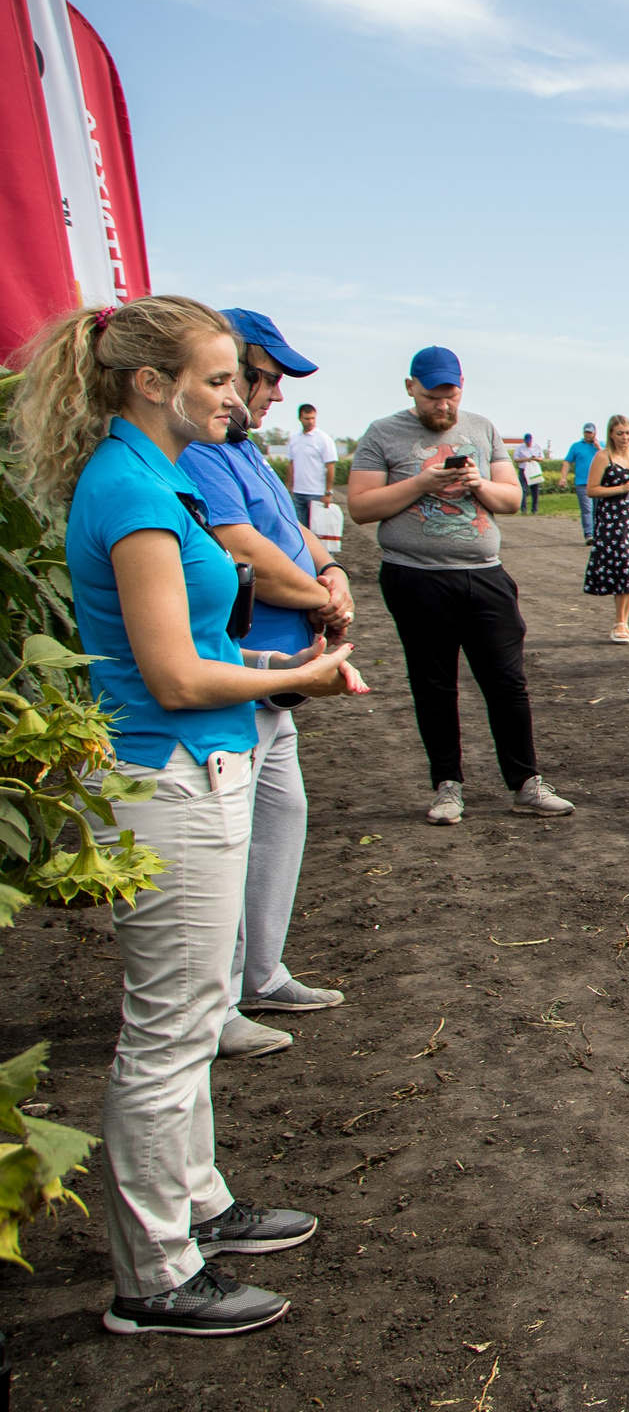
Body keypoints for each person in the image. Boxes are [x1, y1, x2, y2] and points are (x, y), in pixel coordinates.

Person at [14, 295, 358, 1337]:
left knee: (194, 1010)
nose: (230, 395)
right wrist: (281, 677)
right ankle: (155, 1273)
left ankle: (200, 1205)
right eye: (215, 378)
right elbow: (167, 675)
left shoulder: (149, 479)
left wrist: (276, 665)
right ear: (150, 383)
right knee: (169, 1032)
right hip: (170, 773)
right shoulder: (135, 491)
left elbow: (181, 648)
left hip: (190, 764)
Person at [178, 309, 354, 1065]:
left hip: (274, 679)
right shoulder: (201, 456)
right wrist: (320, 597)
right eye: (263, 378)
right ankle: (212, 1005)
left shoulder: (243, 449)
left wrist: (334, 572)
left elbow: (293, 530)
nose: (273, 393)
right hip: (241, 668)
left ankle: (261, 973)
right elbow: (240, 544)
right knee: (228, 835)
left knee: (281, 812)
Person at [348, 347, 574, 823]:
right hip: (415, 576)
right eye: (433, 397)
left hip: (483, 572)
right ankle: (447, 787)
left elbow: (510, 499)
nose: (443, 407)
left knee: (507, 682)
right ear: (411, 387)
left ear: (462, 387)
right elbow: (362, 507)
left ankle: (526, 783)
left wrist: (477, 484)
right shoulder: (382, 433)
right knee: (434, 685)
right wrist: (421, 484)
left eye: (450, 396)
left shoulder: (482, 427)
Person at [581, 415, 629, 640]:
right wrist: (622, 487)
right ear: (611, 434)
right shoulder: (603, 457)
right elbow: (592, 490)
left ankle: (625, 623)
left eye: (628, 433)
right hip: (613, 520)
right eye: (620, 433)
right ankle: (618, 623)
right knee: (623, 566)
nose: (625, 437)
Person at [284, 401, 334, 525]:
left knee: (316, 530)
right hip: (298, 492)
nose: (310, 421)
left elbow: (330, 466)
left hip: (316, 493)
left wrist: (328, 491)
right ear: (300, 418)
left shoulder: (323, 439)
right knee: (300, 528)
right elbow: (291, 464)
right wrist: (288, 487)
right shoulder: (295, 439)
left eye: (313, 418)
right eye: (307, 418)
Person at [565, 422, 600, 542]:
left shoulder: (601, 446)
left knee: (597, 510)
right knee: (587, 509)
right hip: (582, 482)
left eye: (590, 432)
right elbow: (567, 461)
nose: (588, 434)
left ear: (595, 433)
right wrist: (563, 477)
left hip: (599, 482)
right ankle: (589, 534)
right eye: (586, 432)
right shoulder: (576, 446)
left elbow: (609, 457)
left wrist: (598, 447)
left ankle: (598, 533)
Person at [514, 436, 543, 516]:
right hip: (523, 469)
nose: (528, 443)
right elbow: (515, 459)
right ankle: (523, 509)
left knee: (535, 490)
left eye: (529, 441)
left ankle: (534, 509)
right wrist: (525, 459)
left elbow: (542, 458)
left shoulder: (537, 447)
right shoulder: (520, 448)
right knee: (523, 490)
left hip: (534, 470)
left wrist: (536, 458)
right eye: (527, 442)